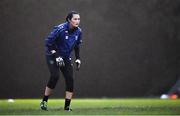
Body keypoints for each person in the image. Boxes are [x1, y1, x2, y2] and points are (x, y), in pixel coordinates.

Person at [40, 11, 82, 111]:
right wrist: (57, 56)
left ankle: (67, 107)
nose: (77, 21)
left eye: (78, 19)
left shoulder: (79, 31)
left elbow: (77, 46)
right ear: (69, 20)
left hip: (66, 57)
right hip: (52, 55)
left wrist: (78, 58)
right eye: (75, 19)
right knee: (55, 76)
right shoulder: (60, 29)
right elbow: (48, 43)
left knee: (70, 79)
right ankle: (44, 101)